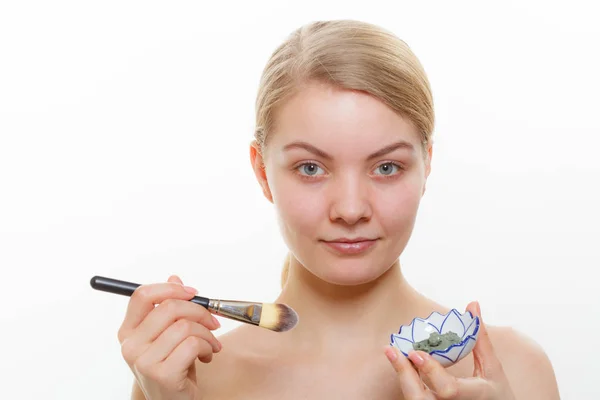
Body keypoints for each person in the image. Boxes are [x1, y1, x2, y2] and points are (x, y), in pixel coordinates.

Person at [116, 19, 560, 399]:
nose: (350, 209)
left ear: (427, 166)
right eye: (311, 167)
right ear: (262, 172)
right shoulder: (187, 377)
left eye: (387, 167)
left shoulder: (511, 370)